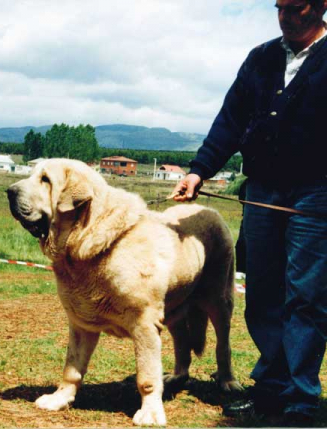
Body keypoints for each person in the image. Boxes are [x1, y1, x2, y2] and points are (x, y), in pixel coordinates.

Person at [172, 0, 327, 425]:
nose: (287, 17)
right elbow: (230, 120)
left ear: (322, 5)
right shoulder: (260, 59)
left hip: (318, 194)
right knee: (262, 290)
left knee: (305, 296)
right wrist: (199, 170)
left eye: (298, 8)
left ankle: (300, 396)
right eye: (281, 8)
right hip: (261, 190)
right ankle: (272, 388)